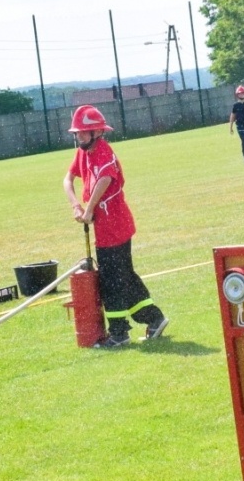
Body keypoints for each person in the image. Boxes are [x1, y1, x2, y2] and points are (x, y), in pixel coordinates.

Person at [62, 104, 168, 348]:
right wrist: (75, 206)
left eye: (81, 132)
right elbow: (67, 179)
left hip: (115, 226)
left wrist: (88, 210)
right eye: (76, 133)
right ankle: (154, 318)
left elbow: (104, 179)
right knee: (123, 276)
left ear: (96, 133)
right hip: (105, 227)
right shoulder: (82, 153)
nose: (77, 137)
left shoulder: (104, 153)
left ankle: (119, 333)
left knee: (112, 280)